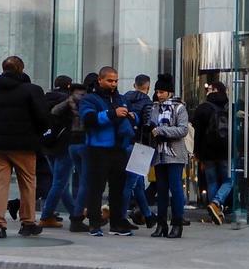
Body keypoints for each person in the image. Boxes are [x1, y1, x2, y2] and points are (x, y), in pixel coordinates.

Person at [0, 55, 50, 239]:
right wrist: (37, 134)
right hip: (25, 145)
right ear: (22, 69)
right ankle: (27, 222)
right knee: (27, 183)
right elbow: (43, 117)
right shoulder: (32, 90)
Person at [78, 66, 138, 237]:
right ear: (100, 80)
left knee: (118, 187)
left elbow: (133, 115)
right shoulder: (90, 99)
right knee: (96, 187)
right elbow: (88, 119)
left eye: (116, 81)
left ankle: (117, 223)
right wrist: (112, 114)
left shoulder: (120, 98)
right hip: (98, 148)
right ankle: (94, 223)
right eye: (110, 80)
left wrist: (133, 116)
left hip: (119, 148)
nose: (113, 84)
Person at [145, 73, 190, 238]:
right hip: (159, 153)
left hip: (175, 154)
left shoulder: (179, 107)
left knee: (176, 188)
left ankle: (177, 224)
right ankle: (161, 224)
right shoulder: (155, 107)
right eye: (157, 91)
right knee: (161, 190)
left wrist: (161, 130)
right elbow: (152, 125)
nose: (159, 94)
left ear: (169, 92)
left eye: (162, 91)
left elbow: (183, 129)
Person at [191, 79, 232, 224]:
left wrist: (197, 152)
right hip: (226, 151)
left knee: (212, 181)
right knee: (229, 180)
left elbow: (198, 133)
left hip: (207, 152)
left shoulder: (203, 108)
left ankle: (214, 210)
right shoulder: (229, 107)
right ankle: (216, 203)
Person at [38, 75, 75, 228]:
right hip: (64, 144)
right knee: (60, 182)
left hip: (47, 144)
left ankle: (75, 212)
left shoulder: (43, 99)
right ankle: (46, 216)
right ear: (68, 86)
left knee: (60, 181)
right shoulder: (68, 101)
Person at [63, 74, 96, 232]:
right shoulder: (90, 100)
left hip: (71, 143)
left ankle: (84, 213)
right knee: (86, 182)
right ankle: (78, 216)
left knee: (82, 180)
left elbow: (56, 112)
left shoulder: (72, 100)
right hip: (84, 142)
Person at [122, 73, 155, 227]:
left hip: (124, 143)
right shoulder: (147, 102)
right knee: (130, 183)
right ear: (147, 88)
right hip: (140, 145)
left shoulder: (123, 98)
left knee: (138, 183)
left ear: (134, 85)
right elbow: (148, 124)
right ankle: (121, 217)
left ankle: (147, 215)